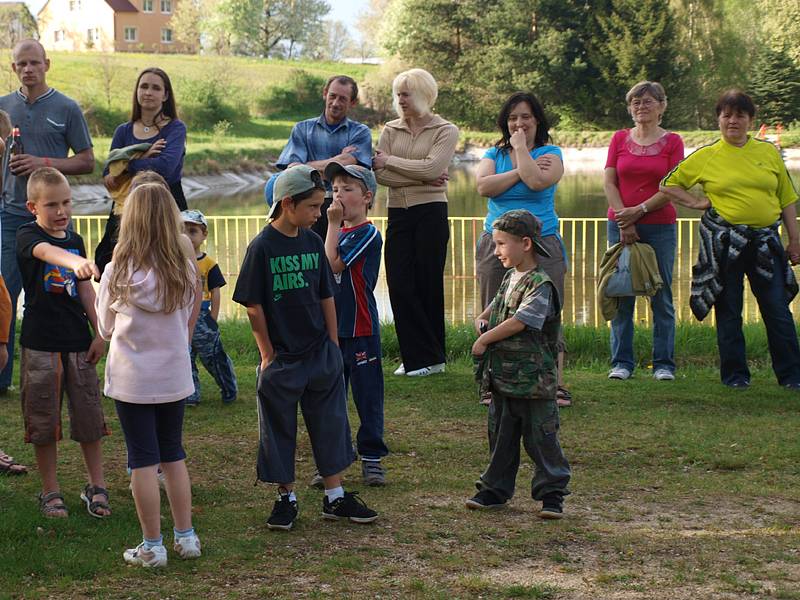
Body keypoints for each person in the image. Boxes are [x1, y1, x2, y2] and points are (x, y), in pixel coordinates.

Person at [233, 165, 378, 531]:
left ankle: (335, 496)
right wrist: (267, 354)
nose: (319, 214)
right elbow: (253, 306)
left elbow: (326, 294)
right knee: (279, 427)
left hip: (319, 355)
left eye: (320, 206)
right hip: (282, 358)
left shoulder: (313, 241)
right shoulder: (262, 247)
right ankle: (286, 498)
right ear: (287, 203)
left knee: (330, 424)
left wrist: (331, 343)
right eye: (313, 207)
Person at [661, 89, 800, 389]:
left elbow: (787, 198)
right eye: (727, 115)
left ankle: (792, 377)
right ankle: (735, 377)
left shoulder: (768, 153)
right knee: (729, 312)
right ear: (719, 119)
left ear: (751, 119)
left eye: (739, 115)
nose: (732, 121)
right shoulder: (707, 155)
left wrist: (795, 240)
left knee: (777, 310)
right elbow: (669, 184)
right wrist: (696, 202)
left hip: (766, 243)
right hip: (726, 246)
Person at [96, 182, 202, 567]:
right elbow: (189, 313)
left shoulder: (115, 271)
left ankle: (152, 544)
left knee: (142, 459)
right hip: (173, 376)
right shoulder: (184, 270)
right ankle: (186, 536)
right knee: (173, 453)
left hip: (132, 380)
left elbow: (105, 328)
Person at [0, 39, 94, 394]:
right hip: (11, 215)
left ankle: (68, 364)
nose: (28, 69)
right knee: (5, 296)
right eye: (21, 64)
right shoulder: (3, 107)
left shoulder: (67, 108)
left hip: (53, 221)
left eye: (34, 63)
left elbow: (86, 161)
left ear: (47, 64)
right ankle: (2, 379)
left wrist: (42, 162)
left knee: (58, 294)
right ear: (13, 69)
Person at [17, 168, 109, 518]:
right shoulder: (27, 236)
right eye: (52, 204)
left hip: (78, 343)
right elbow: (45, 253)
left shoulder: (76, 238)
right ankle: (50, 491)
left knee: (89, 416)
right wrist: (77, 261)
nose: (61, 211)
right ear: (32, 207)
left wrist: (99, 331)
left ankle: (96, 485)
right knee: (43, 421)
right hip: (41, 345)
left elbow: (86, 289)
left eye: (67, 202)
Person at [467, 210, 570, 518]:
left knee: (542, 440)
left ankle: (552, 495)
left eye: (501, 244)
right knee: (501, 437)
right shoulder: (511, 277)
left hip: (534, 381)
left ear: (525, 244)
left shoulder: (541, 283)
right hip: (503, 379)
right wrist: (483, 319)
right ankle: (494, 490)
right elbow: (498, 306)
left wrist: (485, 340)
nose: (496, 251)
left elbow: (521, 321)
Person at [474, 92, 571, 405]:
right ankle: (493, 384)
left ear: (537, 120)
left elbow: (538, 183)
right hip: (496, 241)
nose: (519, 123)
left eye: (525, 116)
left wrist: (520, 153)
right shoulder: (493, 153)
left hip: (544, 242)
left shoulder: (550, 152)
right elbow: (483, 187)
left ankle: (552, 384)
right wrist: (518, 166)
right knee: (494, 310)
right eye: (513, 117)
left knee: (548, 315)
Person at [373, 68, 459, 377]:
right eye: (397, 94)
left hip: (431, 213)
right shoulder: (390, 129)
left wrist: (392, 162)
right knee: (398, 283)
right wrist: (421, 172)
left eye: (406, 93)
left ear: (423, 94)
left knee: (427, 283)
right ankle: (413, 356)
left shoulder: (445, 129)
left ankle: (432, 358)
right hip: (398, 212)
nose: (400, 100)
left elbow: (434, 166)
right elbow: (379, 175)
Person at [604, 81, 684, 381]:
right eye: (635, 102)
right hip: (620, 226)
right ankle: (621, 363)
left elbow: (672, 187)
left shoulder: (673, 141)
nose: (641, 106)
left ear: (662, 106)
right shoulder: (619, 139)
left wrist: (639, 211)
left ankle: (664, 364)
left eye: (648, 101)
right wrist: (625, 220)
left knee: (660, 295)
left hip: (660, 225)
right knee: (622, 292)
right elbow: (609, 182)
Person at [323, 161, 388, 486]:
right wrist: (333, 227)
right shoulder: (336, 232)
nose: (339, 196)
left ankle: (372, 457)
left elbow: (332, 265)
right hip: (332, 330)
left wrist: (332, 225)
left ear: (367, 197)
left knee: (367, 395)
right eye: (335, 189)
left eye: (348, 189)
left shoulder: (367, 233)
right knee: (331, 398)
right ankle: (333, 461)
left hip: (360, 328)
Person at [96, 67, 187, 274]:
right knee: (115, 265)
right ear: (136, 91)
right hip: (127, 208)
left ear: (165, 95)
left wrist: (127, 164)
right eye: (144, 86)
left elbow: (165, 168)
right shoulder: (123, 131)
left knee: (169, 266)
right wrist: (145, 157)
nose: (148, 92)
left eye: (156, 88)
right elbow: (108, 177)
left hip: (165, 204)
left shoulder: (175, 128)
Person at [264, 75, 372, 239]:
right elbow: (292, 170)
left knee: (335, 262)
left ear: (353, 102)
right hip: (307, 205)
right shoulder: (302, 129)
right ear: (325, 93)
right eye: (332, 96)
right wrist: (337, 162)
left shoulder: (361, 132)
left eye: (342, 99)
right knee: (274, 182)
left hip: (342, 206)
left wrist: (306, 167)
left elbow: (347, 164)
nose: (335, 103)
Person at [181, 209, 238, 406]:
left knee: (213, 357)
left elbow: (215, 291)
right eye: (182, 231)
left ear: (204, 234)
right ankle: (190, 394)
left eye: (192, 231)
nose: (187, 236)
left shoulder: (208, 263)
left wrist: (212, 318)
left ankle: (228, 388)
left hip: (203, 317)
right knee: (185, 358)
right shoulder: (175, 262)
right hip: (182, 315)